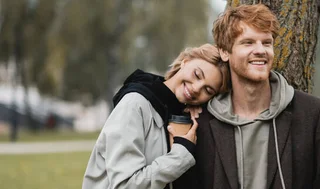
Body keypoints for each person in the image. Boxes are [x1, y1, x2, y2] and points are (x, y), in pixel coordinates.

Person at [183, 4, 320, 189]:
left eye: (266, 42)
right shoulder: (201, 121)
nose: (260, 50)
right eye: (248, 42)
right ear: (224, 52)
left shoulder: (312, 113)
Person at [82, 44, 230, 189]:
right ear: (185, 62)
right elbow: (125, 185)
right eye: (197, 74)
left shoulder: (181, 114)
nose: (197, 88)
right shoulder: (135, 104)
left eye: (208, 90)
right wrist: (181, 155)